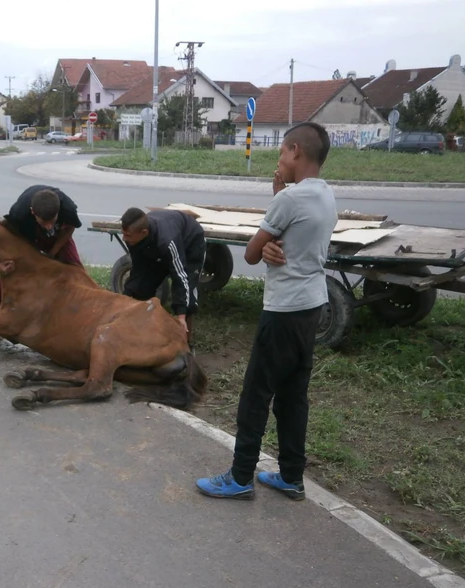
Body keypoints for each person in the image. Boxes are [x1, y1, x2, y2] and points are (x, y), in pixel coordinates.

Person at [195, 122, 337, 502]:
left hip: (283, 310)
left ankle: (240, 476)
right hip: (311, 306)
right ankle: (291, 476)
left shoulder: (289, 200)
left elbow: (251, 254)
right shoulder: (325, 194)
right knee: (293, 397)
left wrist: (269, 237)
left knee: (255, 395)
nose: (278, 162)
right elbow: (294, 234)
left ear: (294, 150)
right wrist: (277, 223)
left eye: (281, 153)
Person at [0, 184, 84, 346]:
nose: (49, 226)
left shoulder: (67, 208)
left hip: (59, 239)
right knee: (7, 278)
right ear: (33, 212)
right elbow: (2, 243)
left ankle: (80, 324)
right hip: (27, 241)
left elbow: (70, 229)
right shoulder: (19, 214)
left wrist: (51, 254)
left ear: (59, 211)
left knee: (78, 275)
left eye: (52, 221)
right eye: (44, 222)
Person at [119, 207, 206, 346]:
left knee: (187, 296)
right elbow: (139, 269)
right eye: (123, 234)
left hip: (190, 244)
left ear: (144, 233)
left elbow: (180, 275)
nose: (124, 238)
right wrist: (126, 296)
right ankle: (143, 332)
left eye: (127, 235)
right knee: (141, 288)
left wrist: (181, 315)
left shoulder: (167, 241)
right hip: (160, 247)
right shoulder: (133, 238)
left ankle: (186, 344)